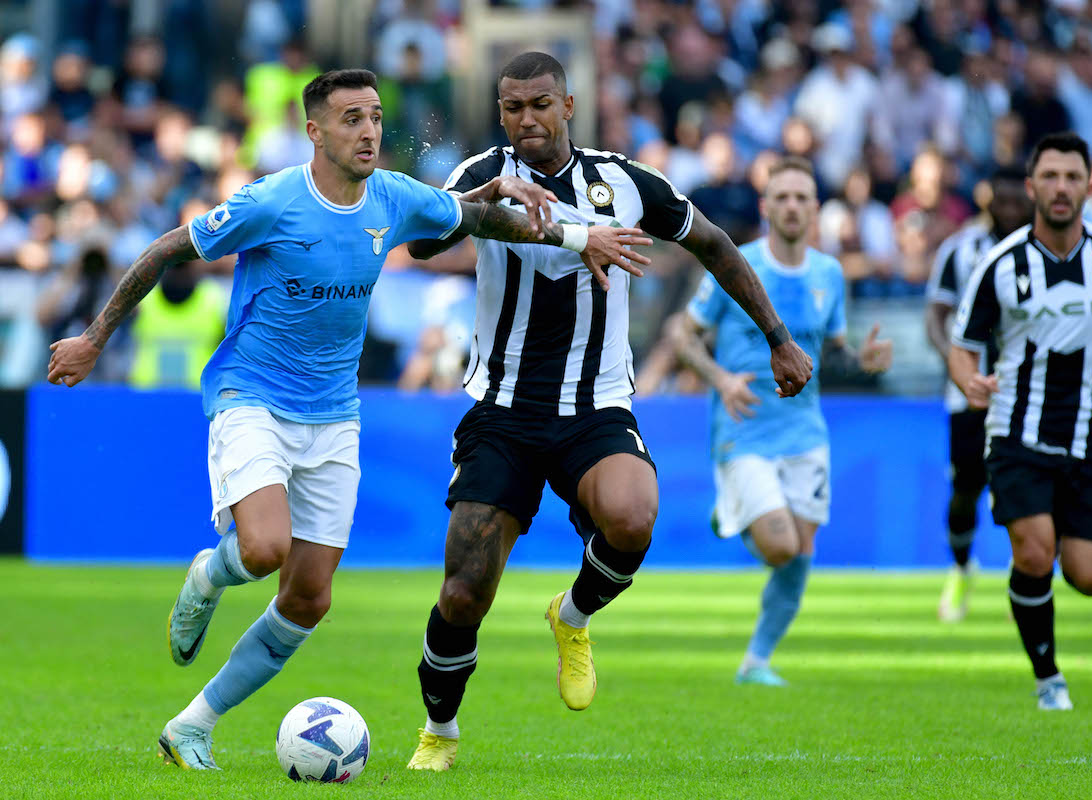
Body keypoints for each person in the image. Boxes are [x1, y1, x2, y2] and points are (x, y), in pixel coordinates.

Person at [45, 68, 650, 771]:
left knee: (308, 598)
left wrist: (569, 234)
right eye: (351, 119)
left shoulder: (391, 196)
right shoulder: (271, 202)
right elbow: (165, 250)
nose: (369, 132)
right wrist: (94, 338)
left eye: (375, 117)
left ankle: (191, 726)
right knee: (263, 549)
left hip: (335, 415)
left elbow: (473, 218)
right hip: (253, 399)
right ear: (315, 131)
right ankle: (210, 575)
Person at [401, 52, 813, 771]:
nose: (527, 119)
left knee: (632, 515)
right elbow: (422, 241)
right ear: (500, 114)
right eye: (512, 107)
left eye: (540, 104)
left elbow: (713, 244)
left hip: (595, 406)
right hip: (502, 409)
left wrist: (778, 337)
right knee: (464, 592)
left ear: (568, 106)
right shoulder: (481, 173)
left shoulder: (622, 181)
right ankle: (440, 730)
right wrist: (487, 198)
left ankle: (573, 616)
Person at [949, 132, 1092, 711]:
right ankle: (1048, 678)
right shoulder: (1002, 264)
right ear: (1031, 186)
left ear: (1089, 186)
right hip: (1016, 432)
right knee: (1034, 551)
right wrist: (968, 380)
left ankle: (1037, 579)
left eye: (1072, 176)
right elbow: (963, 344)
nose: (1061, 187)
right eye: (1050, 176)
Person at [669, 156, 892, 686]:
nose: (792, 206)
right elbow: (681, 333)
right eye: (782, 197)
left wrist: (862, 360)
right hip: (744, 427)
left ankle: (757, 662)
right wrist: (721, 379)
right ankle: (733, 510)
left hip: (805, 432)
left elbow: (833, 349)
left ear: (815, 209)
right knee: (780, 546)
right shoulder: (736, 265)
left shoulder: (828, 274)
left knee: (800, 556)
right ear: (766, 207)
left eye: (802, 198)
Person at [924, 166, 1033, 622]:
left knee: (1026, 486)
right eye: (1000, 199)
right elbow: (936, 315)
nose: (1007, 208)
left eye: (1016, 200)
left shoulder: (1044, 251)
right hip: (968, 391)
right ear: (986, 199)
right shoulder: (960, 249)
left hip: (1029, 391)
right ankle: (962, 568)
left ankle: (1026, 574)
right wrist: (956, 368)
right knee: (966, 488)